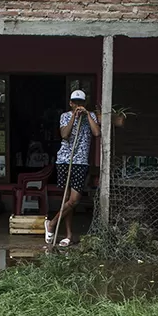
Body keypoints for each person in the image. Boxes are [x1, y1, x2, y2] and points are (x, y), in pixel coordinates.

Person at [47, 89, 99, 246]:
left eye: (81, 103)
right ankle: (68, 236)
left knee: (74, 200)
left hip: (81, 162)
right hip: (64, 160)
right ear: (70, 103)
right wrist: (74, 119)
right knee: (67, 198)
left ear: (85, 104)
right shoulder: (65, 116)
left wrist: (87, 116)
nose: (78, 105)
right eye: (75, 102)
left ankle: (51, 223)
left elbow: (96, 133)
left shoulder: (91, 116)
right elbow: (65, 135)